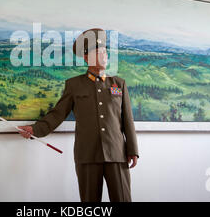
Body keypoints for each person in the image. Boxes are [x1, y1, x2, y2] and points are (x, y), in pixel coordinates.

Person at [18, 28, 139, 202]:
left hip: (117, 154)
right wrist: (34, 129)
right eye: (99, 52)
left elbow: (128, 120)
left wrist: (133, 150)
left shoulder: (119, 84)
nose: (105, 55)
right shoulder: (74, 85)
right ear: (86, 57)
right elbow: (57, 114)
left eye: (105, 51)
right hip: (87, 155)